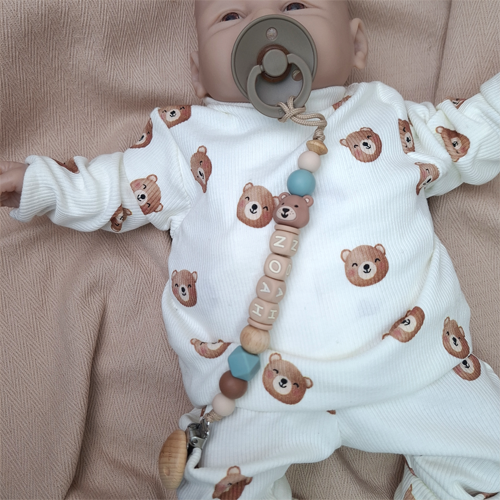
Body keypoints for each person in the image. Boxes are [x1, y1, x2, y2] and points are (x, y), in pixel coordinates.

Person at [1, 1, 499, 498]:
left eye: (295, 5)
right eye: (231, 17)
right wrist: (45, 185)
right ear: (199, 73)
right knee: (214, 486)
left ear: (356, 45)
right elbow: (116, 186)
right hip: (252, 392)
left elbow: (471, 131)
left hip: (414, 363)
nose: (265, 26)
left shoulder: (386, 114)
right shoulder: (187, 138)